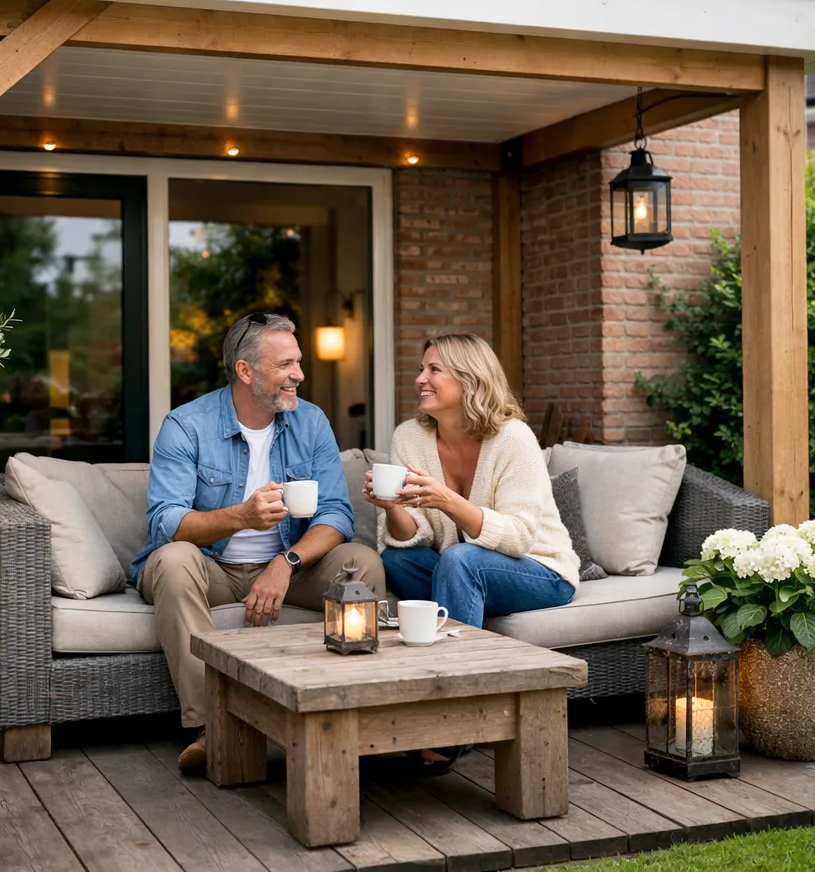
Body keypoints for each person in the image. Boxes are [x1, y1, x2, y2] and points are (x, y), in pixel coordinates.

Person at [133, 312, 385, 775]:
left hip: (288, 570)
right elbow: (165, 522)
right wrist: (242, 517)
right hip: (211, 570)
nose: (299, 375)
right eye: (285, 364)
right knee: (171, 560)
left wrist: (286, 562)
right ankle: (213, 727)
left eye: (299, 362)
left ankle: (350, 712)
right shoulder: (186, 425)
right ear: (245, 371)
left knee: (361, 561)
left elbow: (336, 514)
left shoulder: (311, 422)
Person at [364, 332, 578, 771]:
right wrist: (392, 508)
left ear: (469, 379)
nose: (420, 379)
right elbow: (413, 537)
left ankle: (450, 719)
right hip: (461, 569)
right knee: (396, 559)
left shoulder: (513, 438)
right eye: (421, 369)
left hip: (538, 571)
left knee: (460, 562)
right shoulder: (410, 436)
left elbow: (518, 537)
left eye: (434, 370)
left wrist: (448, 501)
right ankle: (465, 608)